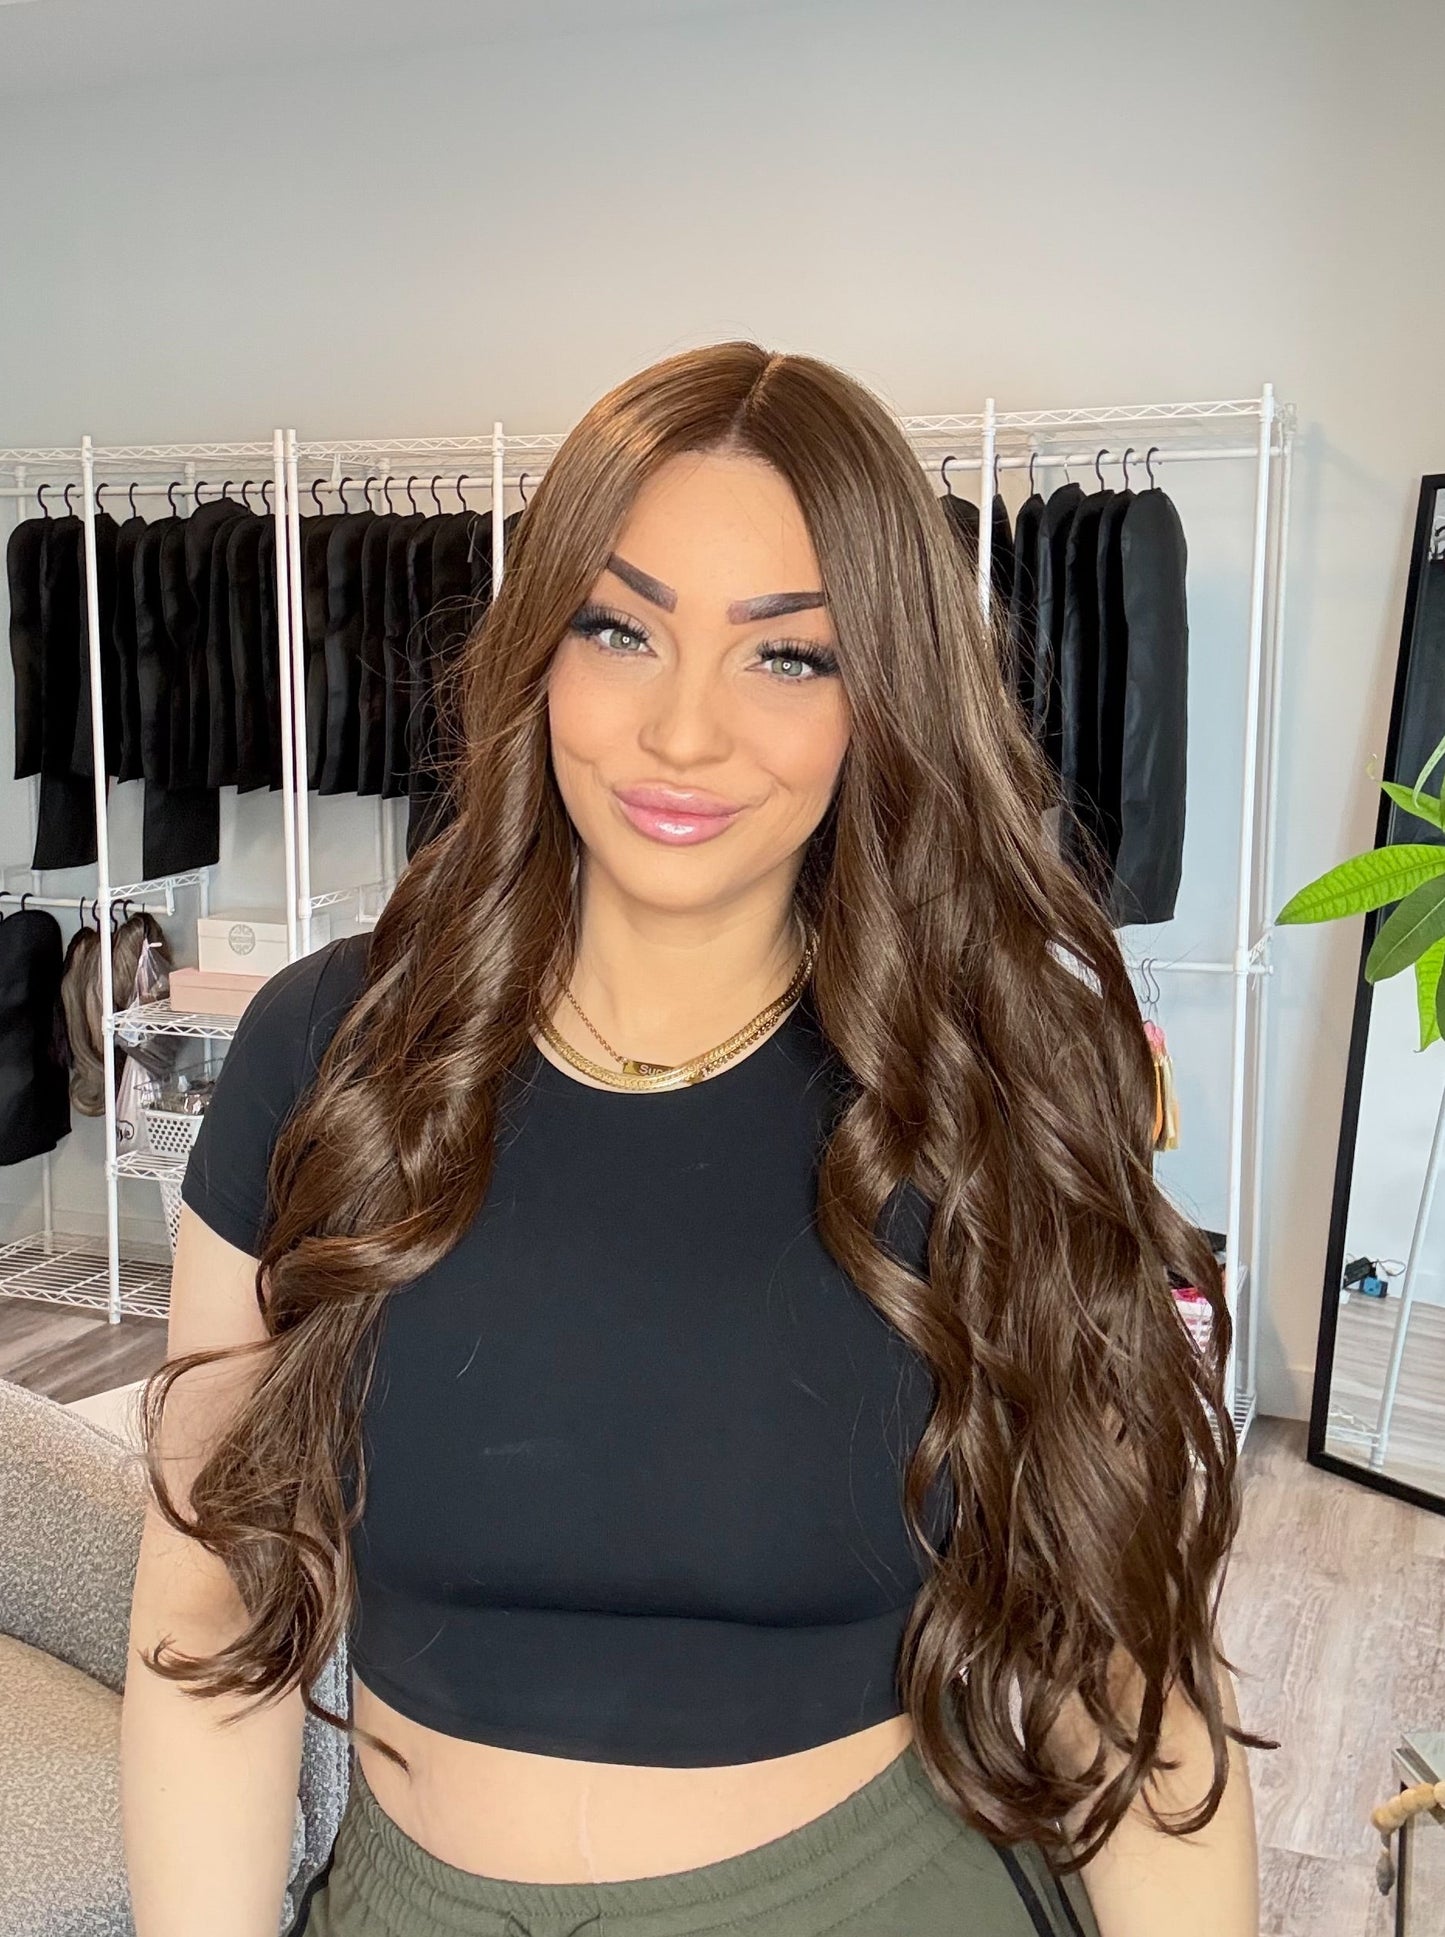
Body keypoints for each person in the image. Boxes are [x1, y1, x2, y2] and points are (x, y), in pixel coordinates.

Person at [120, 341, 1265, 1937]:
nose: (680, 733)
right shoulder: (327, 1053)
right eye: (620, 627)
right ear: (542, 648)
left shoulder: (990, 1077)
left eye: (786, 657)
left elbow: (1132, 1710)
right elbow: (202, 1637)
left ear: (885, 696)